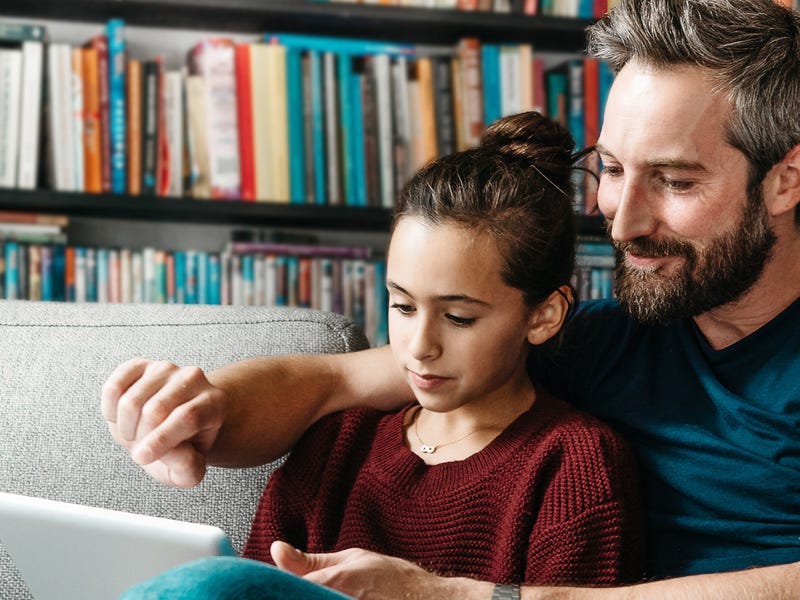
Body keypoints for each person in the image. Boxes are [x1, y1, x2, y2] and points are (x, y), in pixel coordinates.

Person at [102, 0, 800, 597]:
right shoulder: (596, 342)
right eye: (612, 169)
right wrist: (198, 411)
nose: (620, 220)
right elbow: (332, 381)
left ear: (785, 179)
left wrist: (464, 596)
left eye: (676, 182)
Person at [121, 113, 645, 598]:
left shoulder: (574, 465)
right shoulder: (336, 442)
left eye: (459, 317)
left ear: (544, 316)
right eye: (402, 305)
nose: (418, 347)